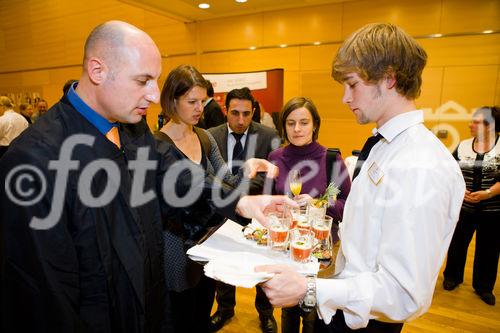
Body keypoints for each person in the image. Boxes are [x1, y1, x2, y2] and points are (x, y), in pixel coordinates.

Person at [0, 21, 293, 332]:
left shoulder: (132, 129)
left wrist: (240, 200)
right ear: (98, 71)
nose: (154, 95)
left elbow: (173, 174)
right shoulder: (34, 162)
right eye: (143, 81)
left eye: (155, 81)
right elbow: (45, 300)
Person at [256, 23, 466, 332]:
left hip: (370, 320)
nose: (344, 97)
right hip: (347, 302)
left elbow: (403, 294)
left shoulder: (420, 165)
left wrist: (310, 289)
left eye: (352, 84)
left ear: (389, 79)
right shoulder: (384, 147)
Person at [156, 65, 281, 333]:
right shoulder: (157, 146)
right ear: (171, 100)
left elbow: (226, 185)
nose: (200, 108)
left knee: (202, 310)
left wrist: (247, 169)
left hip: (209, 243)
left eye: (202, 101)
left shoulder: (204, 137)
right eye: (192, 102)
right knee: (179, 316)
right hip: (175, 245)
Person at [268, 96, 351, 333]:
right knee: (288, 308)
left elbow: (348, 206)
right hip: (287, 248)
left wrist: (319, 205)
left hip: (320, 252)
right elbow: (268, 202)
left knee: (313, 312)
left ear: (315, 125)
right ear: (283, 126)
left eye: (304, 122)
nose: (297, 129)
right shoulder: (275, 158)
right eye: (291, 123)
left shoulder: (331, 159)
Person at [208, 87, 281, 333]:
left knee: (263, 263)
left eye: (247, 114)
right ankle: (225, 308)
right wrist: (231, 195)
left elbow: (270, 177)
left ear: (253, 112)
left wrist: (233, 190)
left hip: (258, 209)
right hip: (221, 212)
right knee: (222, 260)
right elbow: (209, 176)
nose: (240, 120)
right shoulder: (210, 135)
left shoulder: (269, 135)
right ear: (225, 111)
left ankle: (266, 313)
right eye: (235, 113)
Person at [442, 106, 499, 306]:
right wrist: (460, 190)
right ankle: (453, 277)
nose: (470, 125)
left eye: (475, 121)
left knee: (489, 249)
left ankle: (484, 287)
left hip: (493, 210)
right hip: (463, 207)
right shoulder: (463, 145)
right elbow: (451, 172)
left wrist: (488, 193)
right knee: (457, 243)